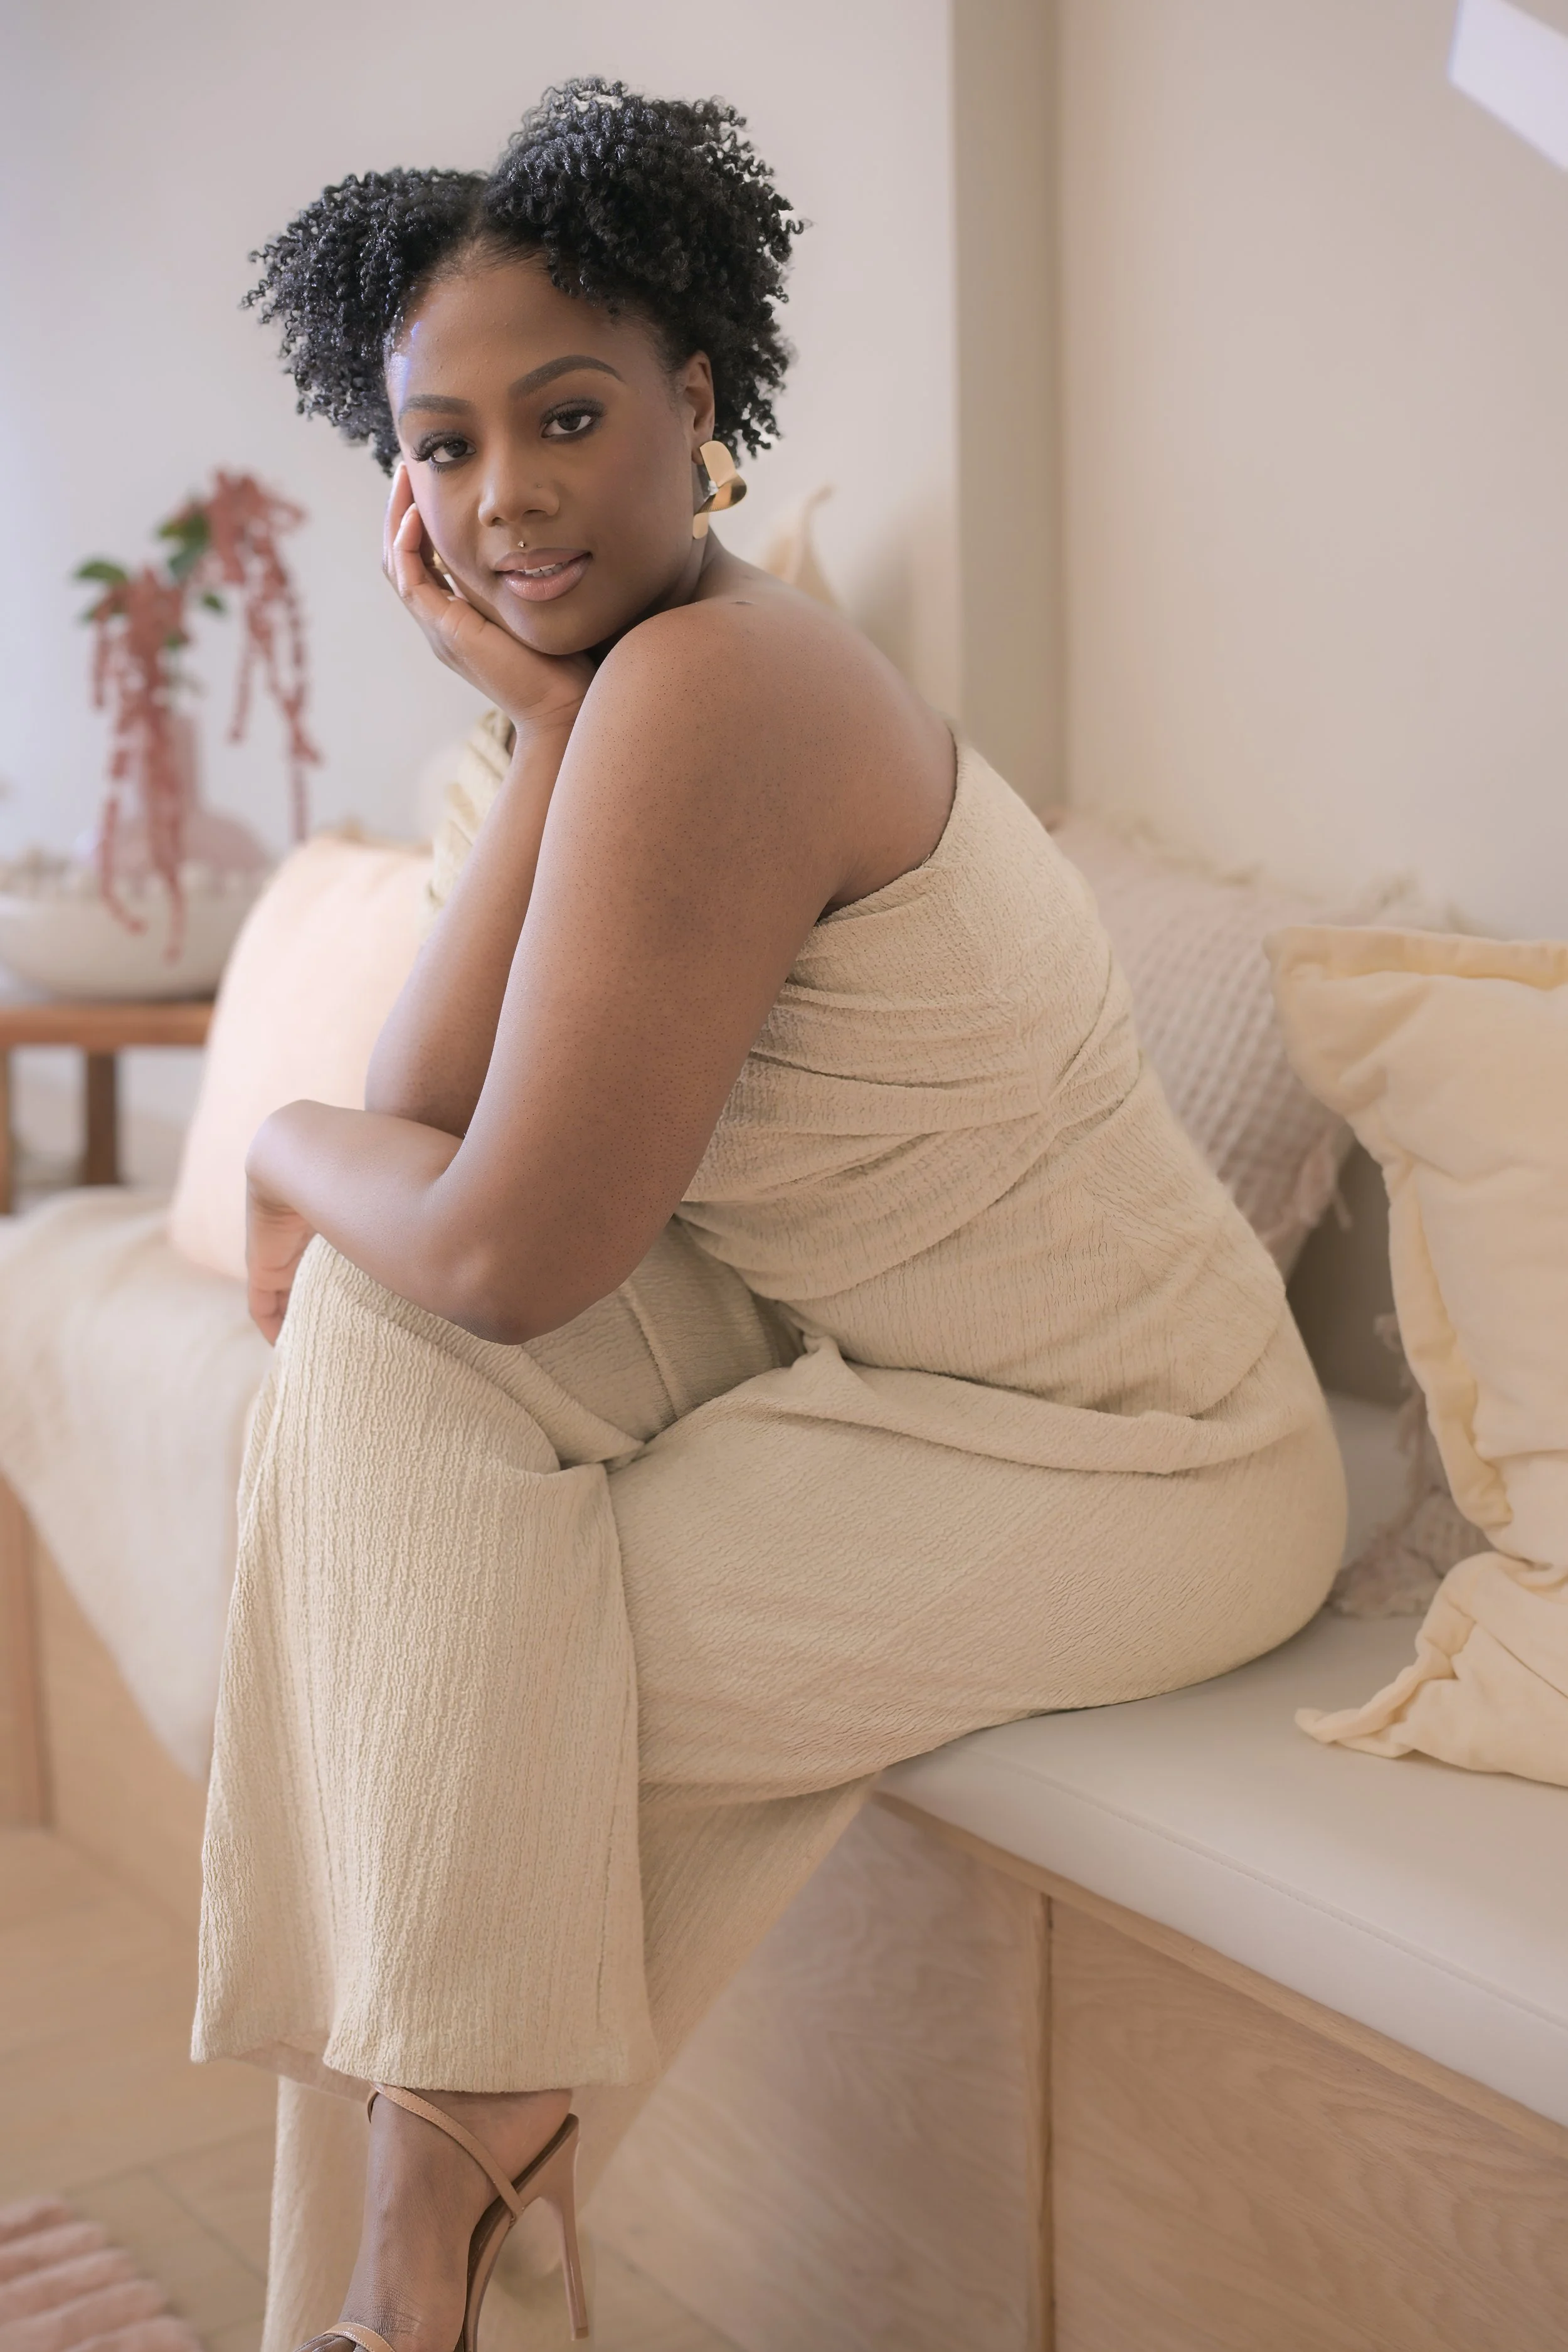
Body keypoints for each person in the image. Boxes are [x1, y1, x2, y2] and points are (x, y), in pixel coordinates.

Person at [193, 77, 1345, 2352]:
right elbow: (433, 1161)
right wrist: (533, 733)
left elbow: (502, 1243)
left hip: (1147, 1451)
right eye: (441, 446)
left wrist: (274, 1145)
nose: (504, 495)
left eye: (566, 414)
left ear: (697, 405)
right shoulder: (619, 697)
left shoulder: (724, 688)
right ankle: (428, 2249)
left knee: (432, 1644)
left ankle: (415, 2252)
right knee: (370, 1395)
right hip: (872, 1363)